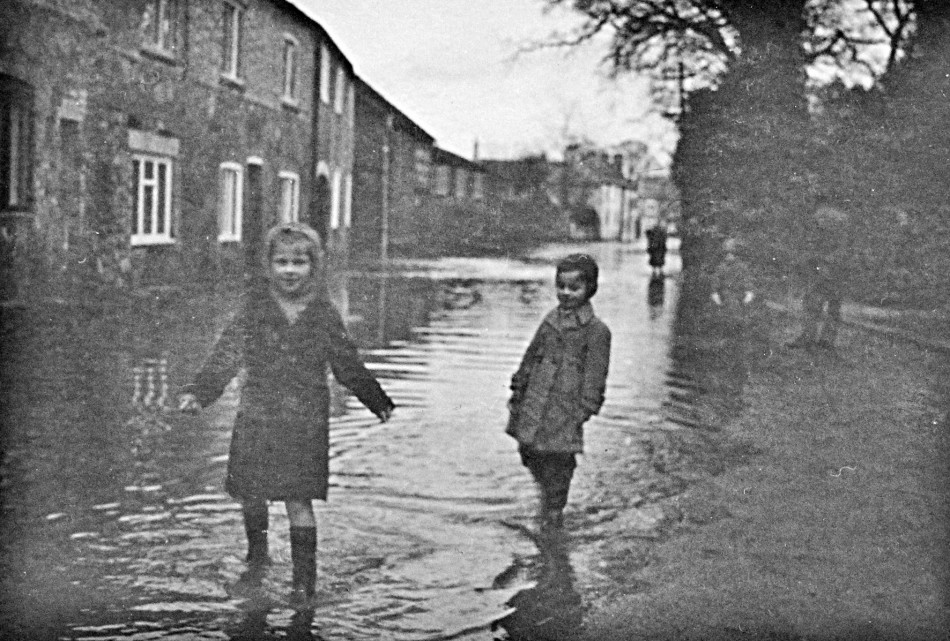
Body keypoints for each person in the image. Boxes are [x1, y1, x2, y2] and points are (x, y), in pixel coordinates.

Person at [178, 222, 395, 607]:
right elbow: (226, 354)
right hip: (257, 416)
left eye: (300, 262)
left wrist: (376, 400)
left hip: (304, 422)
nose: (290, 270)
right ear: (268, 266)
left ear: (314, 266)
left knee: (299, 501)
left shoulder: (324, 314)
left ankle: (303, 586)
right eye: (281, 262)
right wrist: (199, 393)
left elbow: (347, 363)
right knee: (250, 492)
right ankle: (257, 556)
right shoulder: (254, 309)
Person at [506, 254, 611, 536]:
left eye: (573, 288)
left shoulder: (596, 332)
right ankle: (546, 506)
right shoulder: (550, 320)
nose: (565, 293)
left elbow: (595, 380)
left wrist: (580, 412)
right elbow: (530, 356)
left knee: (559, 465)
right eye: (560, 286)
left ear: (589, 289)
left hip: (564, 413)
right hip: (536, 403)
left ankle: (552, 522)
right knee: (529, 452)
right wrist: (518, 389)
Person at [787, 201, 850, 351]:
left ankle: (825, 340)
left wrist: (825, 263)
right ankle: (811, 337)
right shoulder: (824, 224)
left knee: (829, 307)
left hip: (834, 271)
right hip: (821, 270)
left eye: (825, 219)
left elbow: (843, 251)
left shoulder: (838, 225)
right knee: (813, 304)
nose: (821, 221)